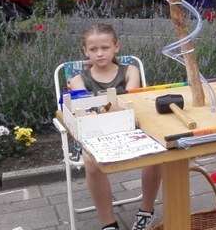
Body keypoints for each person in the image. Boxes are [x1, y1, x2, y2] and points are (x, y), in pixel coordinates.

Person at [68, 24, 162, 230]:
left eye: (105, 47)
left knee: (158, 152)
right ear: (85, 51)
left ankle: (146, 211)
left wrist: (99, 105)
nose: (100, 53)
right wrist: (113, 105)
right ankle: (108, 223)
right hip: (95, 133)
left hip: (130, 129)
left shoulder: (130, 70)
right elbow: (86, 112)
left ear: (116, 47)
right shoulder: (78, 79)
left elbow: (132, 103)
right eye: (93, 49)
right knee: (90, 161)